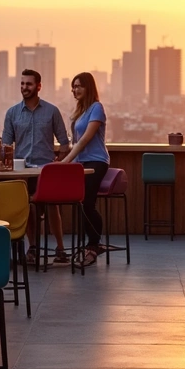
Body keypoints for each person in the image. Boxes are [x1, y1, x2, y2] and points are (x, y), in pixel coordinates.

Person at [2, 69, 72, 264]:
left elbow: (64, 143)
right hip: (23, 171)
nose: (25, 87)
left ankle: (60, 248)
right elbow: (6, 146)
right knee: (29, 206)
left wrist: (59, 163)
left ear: (39, 86)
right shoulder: (12, 113)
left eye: (29, 84)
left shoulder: (52, 111)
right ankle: (32, 248)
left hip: (46, 171)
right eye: (22, 84)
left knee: (52, 206)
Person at [60, 72, 109, 267]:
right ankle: (88, 245)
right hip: (80, 164)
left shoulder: (96, 108)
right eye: (73, 86)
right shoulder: (80, 111)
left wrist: (65, 162)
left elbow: (85, 139)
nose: (75, 90)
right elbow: (75, 143)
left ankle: (94, 245)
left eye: (79, 86)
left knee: (88, 203)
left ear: (89, 87)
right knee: (80, 203)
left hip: (96, 162)